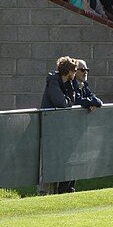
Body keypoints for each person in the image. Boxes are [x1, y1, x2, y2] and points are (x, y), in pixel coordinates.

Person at [40, 56, 79, 194]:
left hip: (61, 130)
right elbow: (61, 103)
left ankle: (60, 191)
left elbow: (71, 101)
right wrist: (68, 101)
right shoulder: (53, 82)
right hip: (49, 129)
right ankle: (44, 194)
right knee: (48, 164)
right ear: (68, 71)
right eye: (74, 70)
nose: (75, 73)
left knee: (60, 163)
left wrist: (68, 99)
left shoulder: (68, 84)